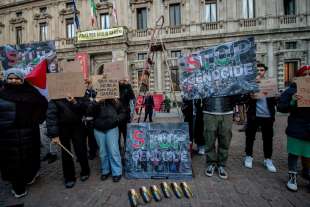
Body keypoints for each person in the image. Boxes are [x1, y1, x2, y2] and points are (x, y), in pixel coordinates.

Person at [0, 68, 47, 198]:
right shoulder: (1, 93)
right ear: (6, 79)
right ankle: (18, 188)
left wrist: (37, 119)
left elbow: (42, 104)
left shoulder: (31, 92)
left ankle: (29, 177)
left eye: (17, 78)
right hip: (8, 136)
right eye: (10, 78)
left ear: (22, 79)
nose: (13, 81)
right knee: (13, 163)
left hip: (29, 134)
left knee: (29, 158)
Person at [46, 96, 90, 188]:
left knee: (81, 149)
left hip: (78, 125)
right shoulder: (55, 97)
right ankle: (69, 177)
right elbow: (51, 116)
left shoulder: (79, 93)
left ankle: (85, 170)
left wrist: (75, 102)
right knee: (66, 153)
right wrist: (54, 135)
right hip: (62, 128)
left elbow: (86, 108)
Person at [278, 66, 310, 191]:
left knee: (308, 154)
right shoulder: (290, 91)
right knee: (294, 153)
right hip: (296, 126)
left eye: (309, 74)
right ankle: (292, 176)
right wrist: (292, 101)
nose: (307, 77)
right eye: (304, 74)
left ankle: (307, 174)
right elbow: (281, 107)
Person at [243, 63, 278, 173]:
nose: (259, 71)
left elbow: (275, 101)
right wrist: (250, 93)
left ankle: (268, 159)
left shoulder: (270, 83)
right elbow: (243, 99)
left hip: (267, 116)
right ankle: (249, 156)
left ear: (265, 72)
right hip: (254, 115)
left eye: (262, 70)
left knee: (268, 138)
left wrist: (275, 95)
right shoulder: (250, 84)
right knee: (250, 137)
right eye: (257, 70)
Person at [90, 99, 127, 182]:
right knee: (102, 152)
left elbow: (123, 112)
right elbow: (89, 112)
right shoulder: (94, 99)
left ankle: (117, 172)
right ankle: (105, 170)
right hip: (98, 128)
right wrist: (96, 103)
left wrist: (116, 119)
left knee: (114, 151)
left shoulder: (115, 99)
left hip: (112, 128)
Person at [203, 95, 237, 179]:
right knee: (209, 139)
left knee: (225, 139)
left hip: (227, 112)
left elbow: (236, 93)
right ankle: (211, 163)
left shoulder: (229, 81)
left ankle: (221, 164)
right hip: (209, 111)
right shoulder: (205, 81)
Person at [118, 77, 135, 151]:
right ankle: (118, 149)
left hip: (125, 115)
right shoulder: (114, 87)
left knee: (126, 134)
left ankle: (127, 149)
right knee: (116, 136)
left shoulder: (127, 88)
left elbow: (132, 96)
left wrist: (128, 85)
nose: (121, 80)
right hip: (116, 116)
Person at [83, 80, 98, 160]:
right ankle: (83, 154)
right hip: (83, 119)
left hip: (91, 119)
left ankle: (92, 152)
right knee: (82, 139)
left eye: (89, 84)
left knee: (92, 137)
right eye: (86, 84)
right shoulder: (81, 94)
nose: (88, 85)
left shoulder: (93, 92)